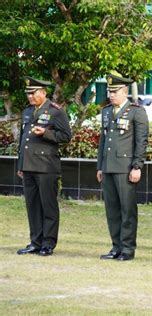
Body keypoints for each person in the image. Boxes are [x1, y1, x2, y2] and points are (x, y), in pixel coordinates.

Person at [16, 76, 72, 256]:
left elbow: (66, 136)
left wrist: (46, 133)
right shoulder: (27, 112)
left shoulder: (56, 111)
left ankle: (48, 243)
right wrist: (20, 163)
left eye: (33, 94)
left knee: (48, 206)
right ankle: (35, 241)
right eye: (28, 94)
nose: (30, 97)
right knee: (32, 206)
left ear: (43, 93)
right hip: (29, 165)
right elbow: (23, 140)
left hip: (46, 166)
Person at [97, 74, 149, 261]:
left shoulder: (136, 111)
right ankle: (115, 246)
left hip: (125, 167)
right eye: (109, 91)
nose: (111, 94)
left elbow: (141, 142)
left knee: (127, 210)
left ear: (125, 92)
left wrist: (137, 166)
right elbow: (103, 141)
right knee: (112, 210)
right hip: (109, 166)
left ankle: (127, 248)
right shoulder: (106, 111)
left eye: (115, 91)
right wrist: (100, 166)